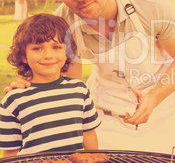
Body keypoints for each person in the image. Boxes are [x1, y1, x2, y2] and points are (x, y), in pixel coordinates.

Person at [4, 0, 175, 155]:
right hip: (107, 116)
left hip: (166, 108)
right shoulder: (60, 26)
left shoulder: (150, 2)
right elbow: (68, 83)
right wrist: (30, 88)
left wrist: (153, 98)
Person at [0, 14, 101, 157]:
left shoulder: (80, 90)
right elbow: (10, 152)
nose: (48, 55)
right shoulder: (13, 100)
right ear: (23, 56)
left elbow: (88, 133)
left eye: (56, 47)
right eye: (37, 48)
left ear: (68, 52)